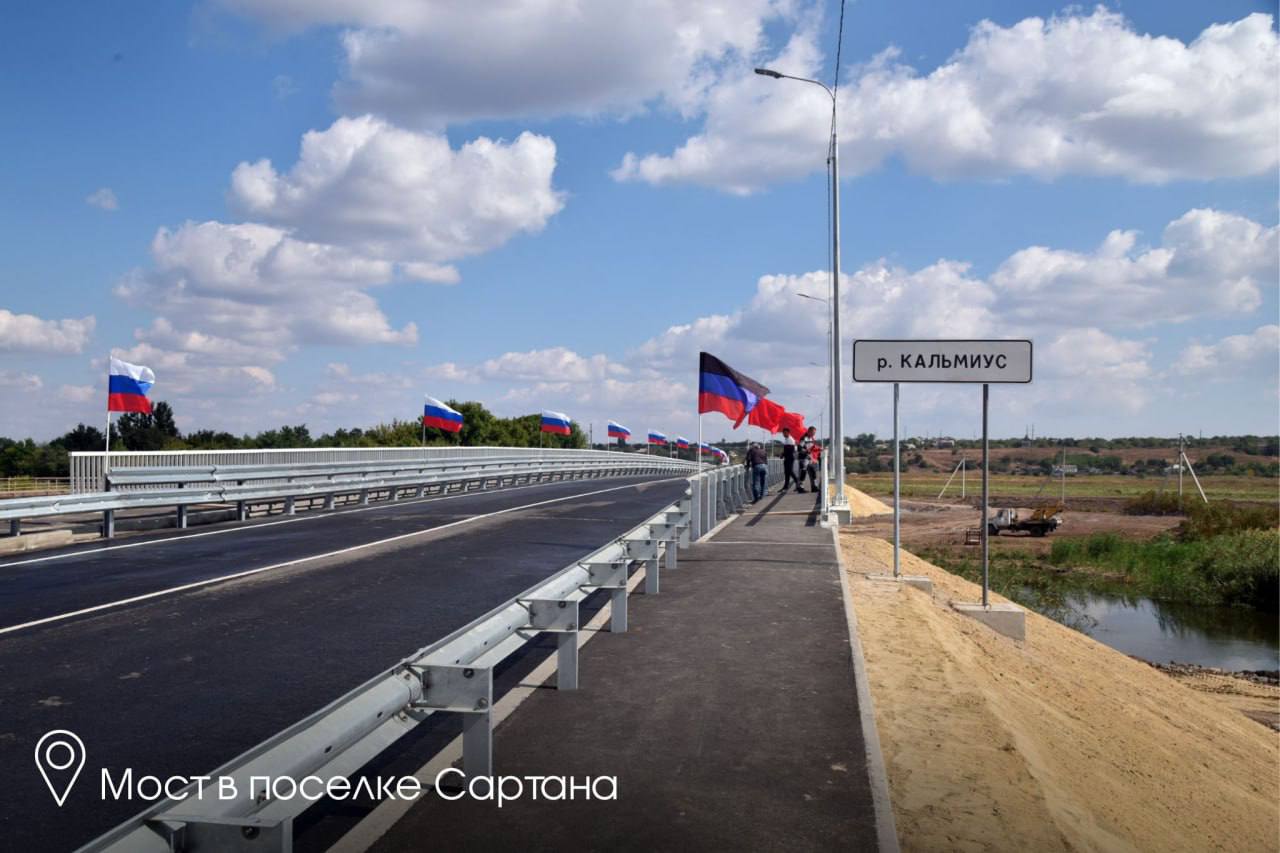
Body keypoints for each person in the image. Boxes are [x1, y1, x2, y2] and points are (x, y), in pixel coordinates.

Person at [799, 426, 821, 493]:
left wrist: (820, 449)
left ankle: (814, 487)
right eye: (813, 433)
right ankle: (800, 487)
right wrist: (806, 451)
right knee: (803, 472)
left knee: (813, 471)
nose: (813, 434)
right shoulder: (804, 438)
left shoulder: (811, 438)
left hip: (809, 457)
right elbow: (799, 448)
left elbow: (813, 447)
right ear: (808, 431)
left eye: (814, 433)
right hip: (804, 458)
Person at [781, 427, 802, 493]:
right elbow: (786, 450)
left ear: (788, 432)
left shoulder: (790, 439)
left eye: (784, 433)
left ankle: (798, 483)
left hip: (789, 458)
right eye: (783, 433)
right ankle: (785, 487)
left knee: (789, 471)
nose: (783, 434)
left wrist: (783, 454)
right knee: (787, 472)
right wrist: (783, 454)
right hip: (787, 458)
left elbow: (790, 450)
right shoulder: (786, 439)